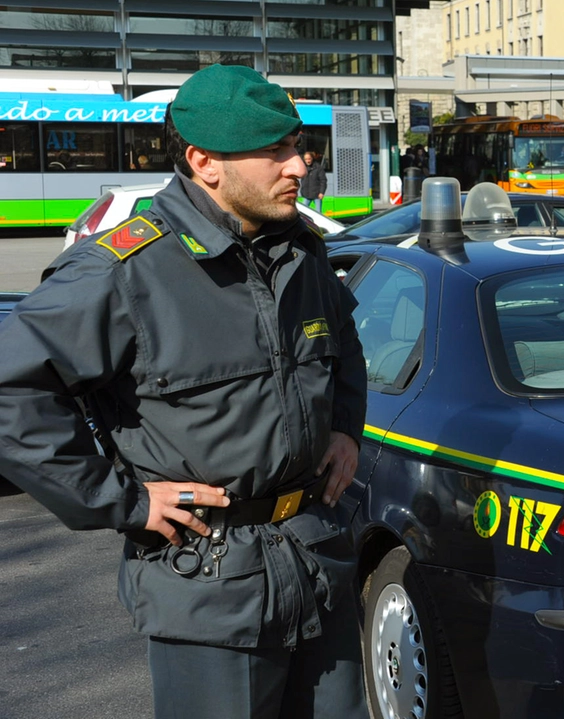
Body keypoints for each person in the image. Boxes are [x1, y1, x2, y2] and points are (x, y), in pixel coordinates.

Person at [0, 64, 368, 719]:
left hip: (316, 561)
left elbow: (342, 337)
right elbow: (10, 385)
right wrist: (121, 500)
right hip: (210, 586)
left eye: (299, 146)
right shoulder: (127, 271)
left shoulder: (299, 252)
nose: (300, 165)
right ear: (205, 161)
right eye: (277, 150)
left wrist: (345, 425)